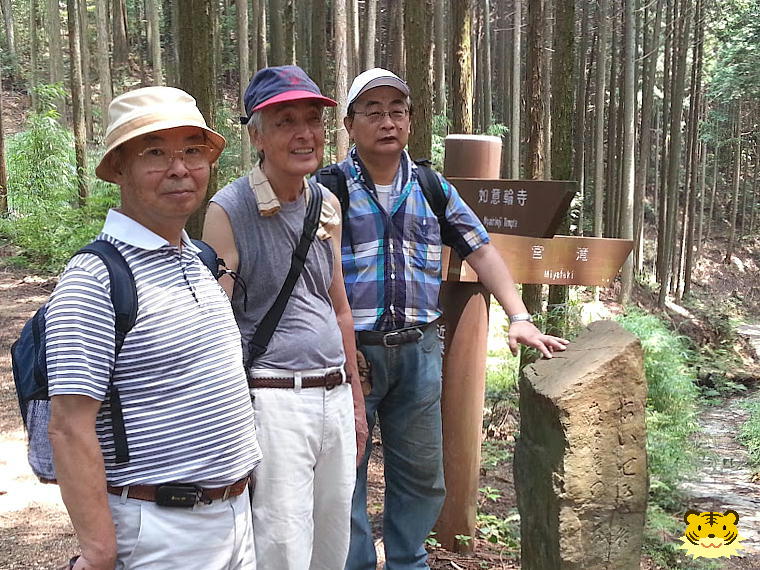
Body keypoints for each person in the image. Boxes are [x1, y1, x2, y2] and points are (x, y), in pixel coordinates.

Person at [323, 68, 570, 570]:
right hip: (351, 355)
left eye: (397, 111)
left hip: (419, 352)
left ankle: (407, 561)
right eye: (373, 112)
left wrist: (519, 315)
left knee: (421, 474)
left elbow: (481, 249)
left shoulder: (431, 186)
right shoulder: (327, 189)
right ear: (349, 124)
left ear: (410, 121)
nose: (388, 122)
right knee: (343, 473)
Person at [46, 86, 262, 570]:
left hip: (234, 520)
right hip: (160, 531)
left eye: (192, 150)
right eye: (155, 153)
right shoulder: (96, 279)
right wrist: (99, 551)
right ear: (119, 167)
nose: (180, 168)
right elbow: (69, 426)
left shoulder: (199, 259)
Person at [202, 65, 368, 570]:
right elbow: (217, 323)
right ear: (256, 135)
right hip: (274, 398)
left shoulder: (326, 203)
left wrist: (356, 403)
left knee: (333, 537)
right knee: (282, 540)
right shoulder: (228, 210)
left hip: (334, 393)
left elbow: (339, 308)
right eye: (285, 121)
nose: (304, 134)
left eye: (313, 120)